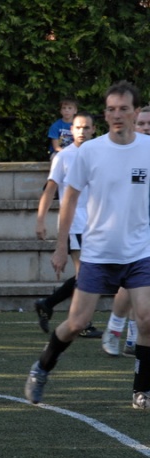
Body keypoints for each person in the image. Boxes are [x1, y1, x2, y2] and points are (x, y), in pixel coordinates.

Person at [25, 80, 150, 410]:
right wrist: (61, 246)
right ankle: (42, 367)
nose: (117, 115)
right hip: (98, 252)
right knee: (76, 324)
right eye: (111, 109)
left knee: (147, 320)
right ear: (105, 115)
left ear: (136, 112)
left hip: (140, 252)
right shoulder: (89, 152)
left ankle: (142, 390)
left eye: (124, 109)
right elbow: (68, 200)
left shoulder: (148, 150)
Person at [33, 112, 102, 338]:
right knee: (85, 273)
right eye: (78, 127)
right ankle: (83, 322)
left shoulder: (100, 153)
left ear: (94, 130)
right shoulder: (63, 157)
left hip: (97, 223)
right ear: (71, 130)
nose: (82, 131)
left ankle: (48, 303)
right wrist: (40, 221)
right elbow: (50, 190)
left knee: (92, 273)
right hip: (75, 223)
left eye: (86, 127)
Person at [103, 105, 150, 357]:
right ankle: (116, 327)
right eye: (142, 123)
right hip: (131, 228)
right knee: (133, 281)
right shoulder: (124, 153)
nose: (146, 128)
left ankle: (132, 335)